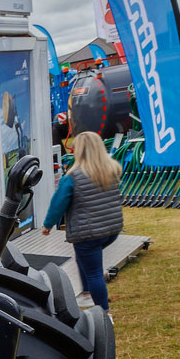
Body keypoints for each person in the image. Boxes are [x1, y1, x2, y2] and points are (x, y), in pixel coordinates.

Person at [44, 131, 125, 314]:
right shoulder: (111, 170)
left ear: (78, 151)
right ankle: (87, 293)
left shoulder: (72, 177)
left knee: (94, 272)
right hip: (111, 229)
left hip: (88, 233)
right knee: (84, 257)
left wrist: (48, 224)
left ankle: (103, 312)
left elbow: (58, 203)